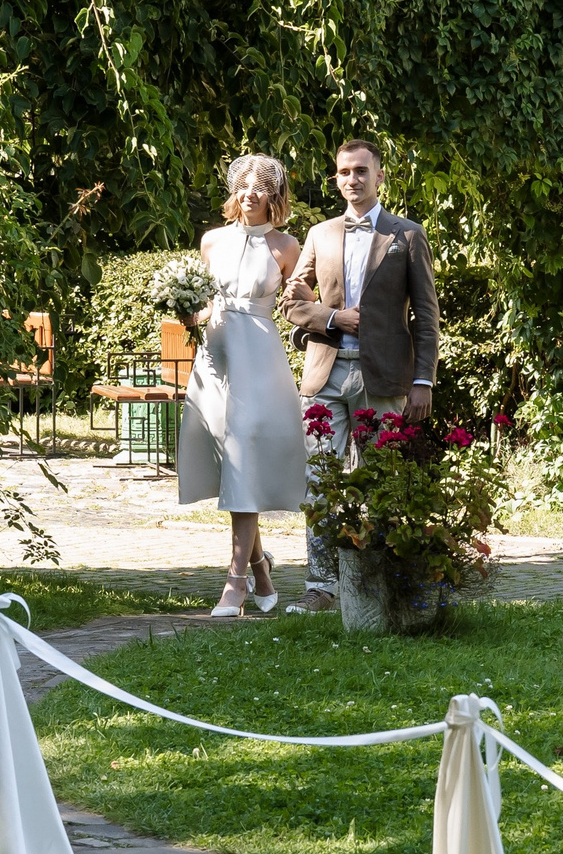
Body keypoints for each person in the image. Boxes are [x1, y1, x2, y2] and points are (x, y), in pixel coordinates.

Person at [282, 137, 439, 614]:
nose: (353, 179)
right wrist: (333, 318)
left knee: (382, 480)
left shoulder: (407, 235)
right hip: (325, 374)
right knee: (319, 480)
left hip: (384, 378)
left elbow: (426, 315)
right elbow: (292, 304)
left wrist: (423, 381)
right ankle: (321, 586)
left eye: (361, 171)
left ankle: (379, 582)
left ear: (379, 176)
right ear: (336, 178)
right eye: (344, 172)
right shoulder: (319, 233)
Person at [176, 154, 309, 616]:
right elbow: (203, 303)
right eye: (243, 185)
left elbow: (298, 305)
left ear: (274, 195)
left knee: (246, 456)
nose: (250, 194)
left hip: (260, 356)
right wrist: (188, 313)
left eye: (260, 187)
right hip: (216, 357)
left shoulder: (287, 246)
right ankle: (261, 570)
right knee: (233, 464)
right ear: (234, 190)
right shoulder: (211, 241)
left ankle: (235, 583)